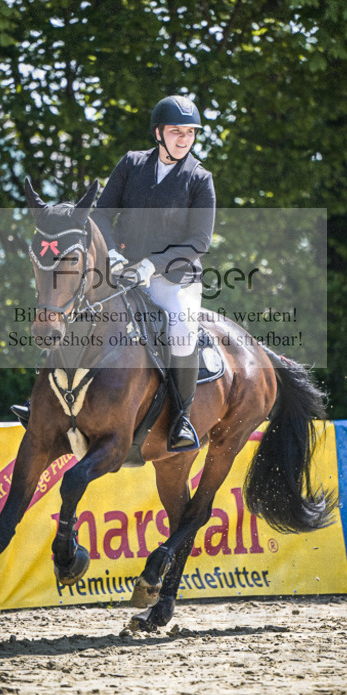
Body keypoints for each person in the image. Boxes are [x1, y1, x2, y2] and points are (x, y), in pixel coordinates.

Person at [92, 94, 216, 451]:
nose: (184, 139)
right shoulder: (132, 164)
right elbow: (101, 214)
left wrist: (152, 265)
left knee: (180, 326)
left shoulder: (199, 178)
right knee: (75, 308)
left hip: (175, 277)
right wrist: (113, 254)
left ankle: (182, 418)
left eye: (190, 133)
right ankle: (46, 402)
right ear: (158, 133)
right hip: (121, 270)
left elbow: (199, 241)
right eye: (177, 131)